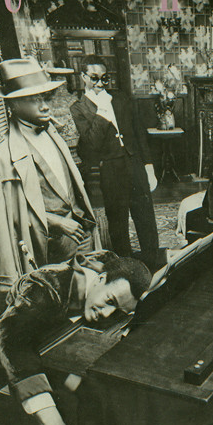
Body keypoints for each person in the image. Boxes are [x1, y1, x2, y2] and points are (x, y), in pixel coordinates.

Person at [0, 250, 152, 425]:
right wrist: (51, 420)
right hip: (14, 364)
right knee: (70, 411)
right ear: (101, 279)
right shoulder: (45, 288)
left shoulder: (111, 271)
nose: (107, 314)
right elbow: (9, 341)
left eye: (118, 311)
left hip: (57, 352)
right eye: (109, 301)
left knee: (107, 395)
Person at [0, 58, 100, 290]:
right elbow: (3, 220)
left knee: (91, 294)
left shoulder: (53, 134)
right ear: (12, 105)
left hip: (82, 234)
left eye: (45, 98)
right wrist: (56, 222)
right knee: (57, 301)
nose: (45, 106)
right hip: (47, 250)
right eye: (34, 100)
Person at [70, 55, 160, 268]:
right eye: (94, 78)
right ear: (83, 77)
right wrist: (102, 112)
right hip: (110, 168)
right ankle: (126, 269)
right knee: (118, 223)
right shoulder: (78, 108)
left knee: (146, 218)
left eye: (104, 78)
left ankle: (153, 264)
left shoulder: (120, 98)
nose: (100, 83)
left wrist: (149, 167)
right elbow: (91, 143)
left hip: (134, 163)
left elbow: (139, 133)